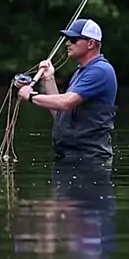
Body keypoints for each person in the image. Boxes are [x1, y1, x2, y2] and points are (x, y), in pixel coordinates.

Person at [16, 18, 118, 162]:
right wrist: (49, 79)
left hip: (91, 159)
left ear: (90, 43)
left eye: (73, 40)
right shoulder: (81, 72)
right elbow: (61, 113)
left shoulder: (100, 70)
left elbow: (66, 102)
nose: (67, 43)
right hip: (71, 156)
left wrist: (31, 96)